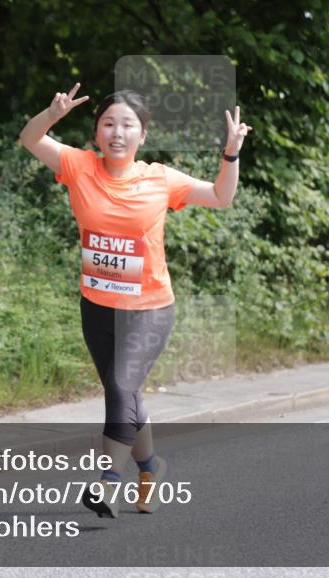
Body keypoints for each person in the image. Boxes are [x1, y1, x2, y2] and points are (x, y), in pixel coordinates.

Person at [19, 84, 250, 517]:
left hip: (150, 309)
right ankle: (150, 466)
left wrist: (231, 154)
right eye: (108, 124)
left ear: (142, 134)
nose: (117, 132)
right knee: (123, 391)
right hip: (97, 305)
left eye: (128, 125)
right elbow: (30, 140)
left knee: (122, 387)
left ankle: (108, 481)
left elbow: (222, 197)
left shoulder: (161, 179)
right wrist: (51, 114)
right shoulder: (78, 165)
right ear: (96, 134)